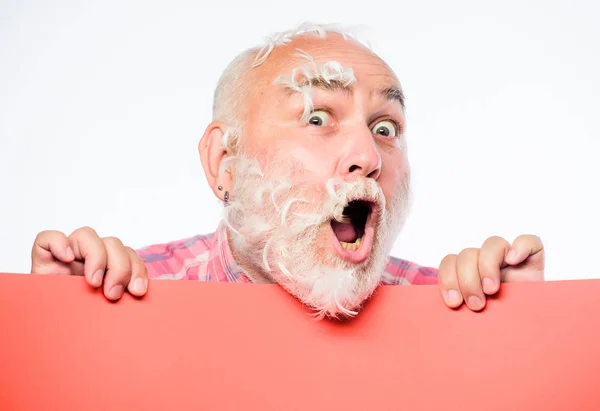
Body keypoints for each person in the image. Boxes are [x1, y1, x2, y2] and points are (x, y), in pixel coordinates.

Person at [29, 23, 544, 319]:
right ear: (223, 162)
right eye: (317, 117)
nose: (367, 155)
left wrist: (520, 338)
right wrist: (55, 334)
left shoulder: (450, 308)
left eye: (386, 128)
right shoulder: (131, 294)